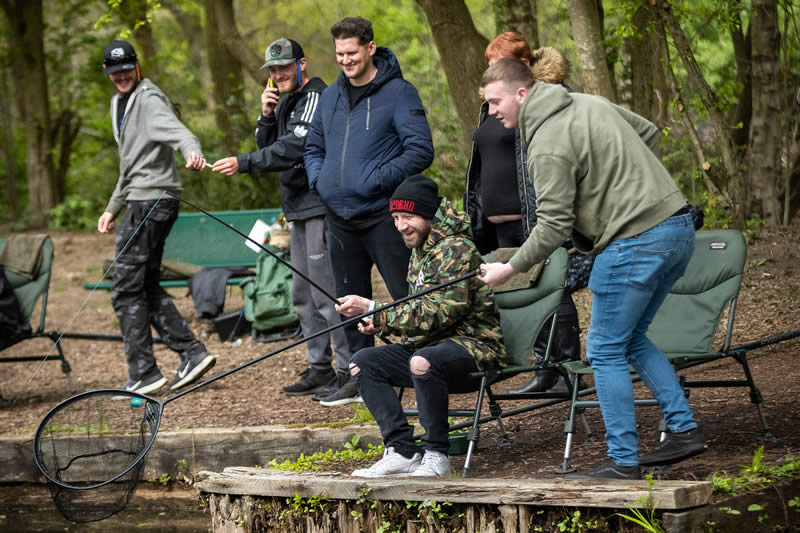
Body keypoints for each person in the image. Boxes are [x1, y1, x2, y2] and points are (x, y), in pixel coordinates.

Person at [479, 57, 704, 480]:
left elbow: (552, 226)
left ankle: (623, 461)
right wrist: (624, 183)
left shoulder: (545, 144)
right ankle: (683, 428)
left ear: (522, 94)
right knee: (630, 338)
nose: (491, 111)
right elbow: (648, 134)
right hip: (677, 228)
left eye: (495, 102)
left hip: (634, 242)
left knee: (602, 349)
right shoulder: (588, 102)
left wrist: (507, 270)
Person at [335, 174, 506, 477]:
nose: (401, 226)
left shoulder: (456, 249)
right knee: (362, 362)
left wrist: (377, 311)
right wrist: (380, 325)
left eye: (408, 216)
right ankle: (400, 449)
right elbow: (419, 312)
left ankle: (436, 454)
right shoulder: (421, 250)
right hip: (430, 349)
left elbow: (438, 313)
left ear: (428, 213)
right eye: (396, 217)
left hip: (475, 348)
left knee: (422, 360)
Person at [305, 17, 435, 406]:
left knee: (404, 295)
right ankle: (358, 376)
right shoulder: (330, 97)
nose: (345, 60)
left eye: (352, 52)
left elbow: (420, 150)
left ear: (370, 48)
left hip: (383, 215)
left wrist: (377, 179)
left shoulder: (398, 93)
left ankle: (425, 366)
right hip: (339, 218)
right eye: (339, 54)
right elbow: (313, 149)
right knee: (348, 301)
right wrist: (320, 181)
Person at [211, 38, 350, 398]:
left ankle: (350, 371)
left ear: (301, 65)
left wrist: (242, 163)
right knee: (302, 294)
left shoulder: (315, 96)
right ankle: (319, 368)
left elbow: (292, 148)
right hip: (297, 209)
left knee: (326, 293)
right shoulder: (287, 101)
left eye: (284, 67)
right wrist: (267, 115)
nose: (278, 74)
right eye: (273, 70)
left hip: (319, 206)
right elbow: (268, 146)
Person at [465, 32, 584, 393]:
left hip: (534, 215)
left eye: (500, 66)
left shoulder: (542, 103)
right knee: (522, 290)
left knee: (553, 290)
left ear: (524, 66)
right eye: (489, 67)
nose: (492, 72)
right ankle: (543, 369)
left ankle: (568, 369)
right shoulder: (490, 106)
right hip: (498, 221)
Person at [98, 40, 215, 394]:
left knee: (124, 289)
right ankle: (192, 353)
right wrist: (112, 207)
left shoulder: (148, 100)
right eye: (113, 72)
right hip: (141, 200)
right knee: (143, 285)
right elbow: (129, 164)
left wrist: (192, 152)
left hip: (151, 202)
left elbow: (181, 134)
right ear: (107, 74)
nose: (120, 76)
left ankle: (144, 372)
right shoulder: (121, 102)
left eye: (125, 70)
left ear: (137, 66)